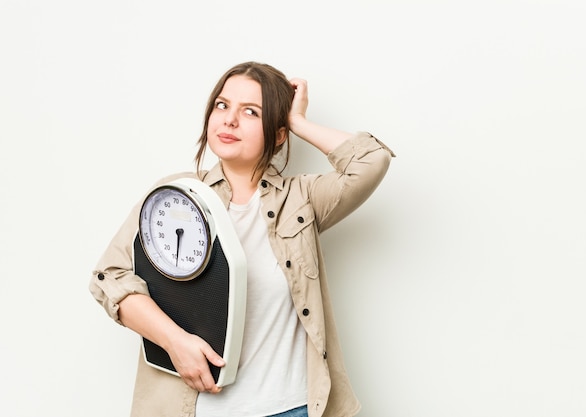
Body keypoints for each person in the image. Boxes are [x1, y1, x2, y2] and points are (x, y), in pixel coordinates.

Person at [90, 61, 395, 417]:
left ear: (277, 134)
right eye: (222, 105)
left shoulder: (301, 198)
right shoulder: (174, 196)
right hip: (198, 409)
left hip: (292, 407)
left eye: (251, 112)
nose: (229, 120)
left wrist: (297, 122)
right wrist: (175, 342)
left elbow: (371, 160)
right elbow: (109, 277)